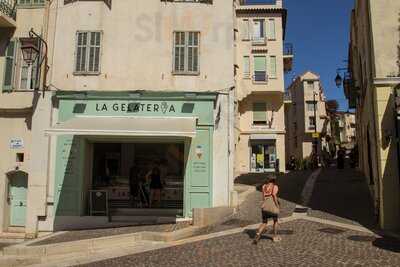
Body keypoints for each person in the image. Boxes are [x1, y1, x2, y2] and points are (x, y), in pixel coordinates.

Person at [253, 177, 280, 245]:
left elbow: (263, 197)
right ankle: (275, 237)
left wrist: (264, 204)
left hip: (265, 207)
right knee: (275, 221)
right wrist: (277, 206)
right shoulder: (275, 186)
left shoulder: (264, 186)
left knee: (264, 222)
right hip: (272, 207)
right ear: (273, 180)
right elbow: (274, 196)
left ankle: (258, 234)